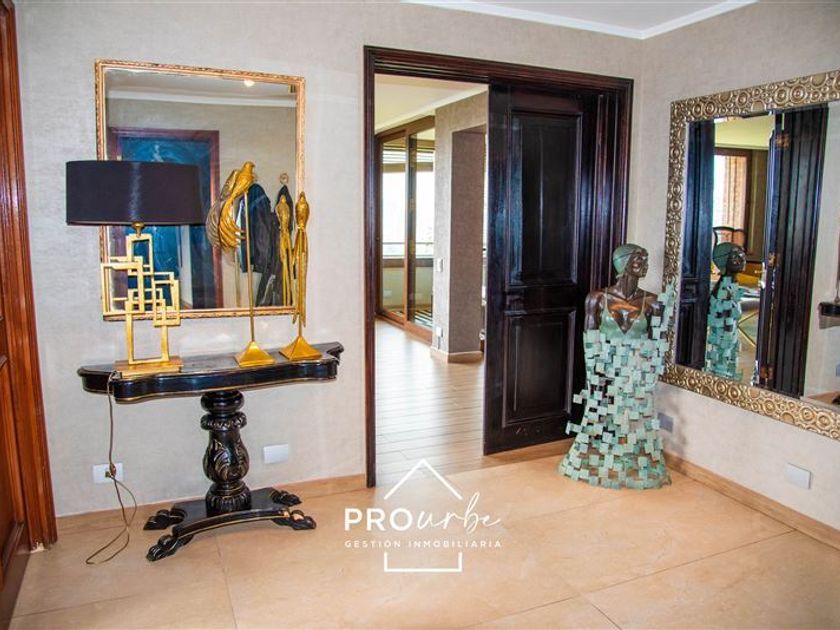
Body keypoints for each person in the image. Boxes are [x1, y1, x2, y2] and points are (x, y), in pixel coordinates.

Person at [559, 243, 674, 489]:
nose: (645, 264)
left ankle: (626, 455)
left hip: (635, 370)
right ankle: (603, 452)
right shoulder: (597, 299)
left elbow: (656, 344)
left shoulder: (653, 303)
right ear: (623, 263)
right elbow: (589, 340)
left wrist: (647, 374)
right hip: (605, 368)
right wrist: (593, 376)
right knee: (603, 414)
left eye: (646, 259)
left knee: (630, 415)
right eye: (639, 259)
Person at [705, 242, 747, 380]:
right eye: (735, 256)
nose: (742, 259)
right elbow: (723, 330)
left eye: (742, 254)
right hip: (722, 352)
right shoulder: (724, 291)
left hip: (729, 348)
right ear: (723, 261)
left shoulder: (731, 287)